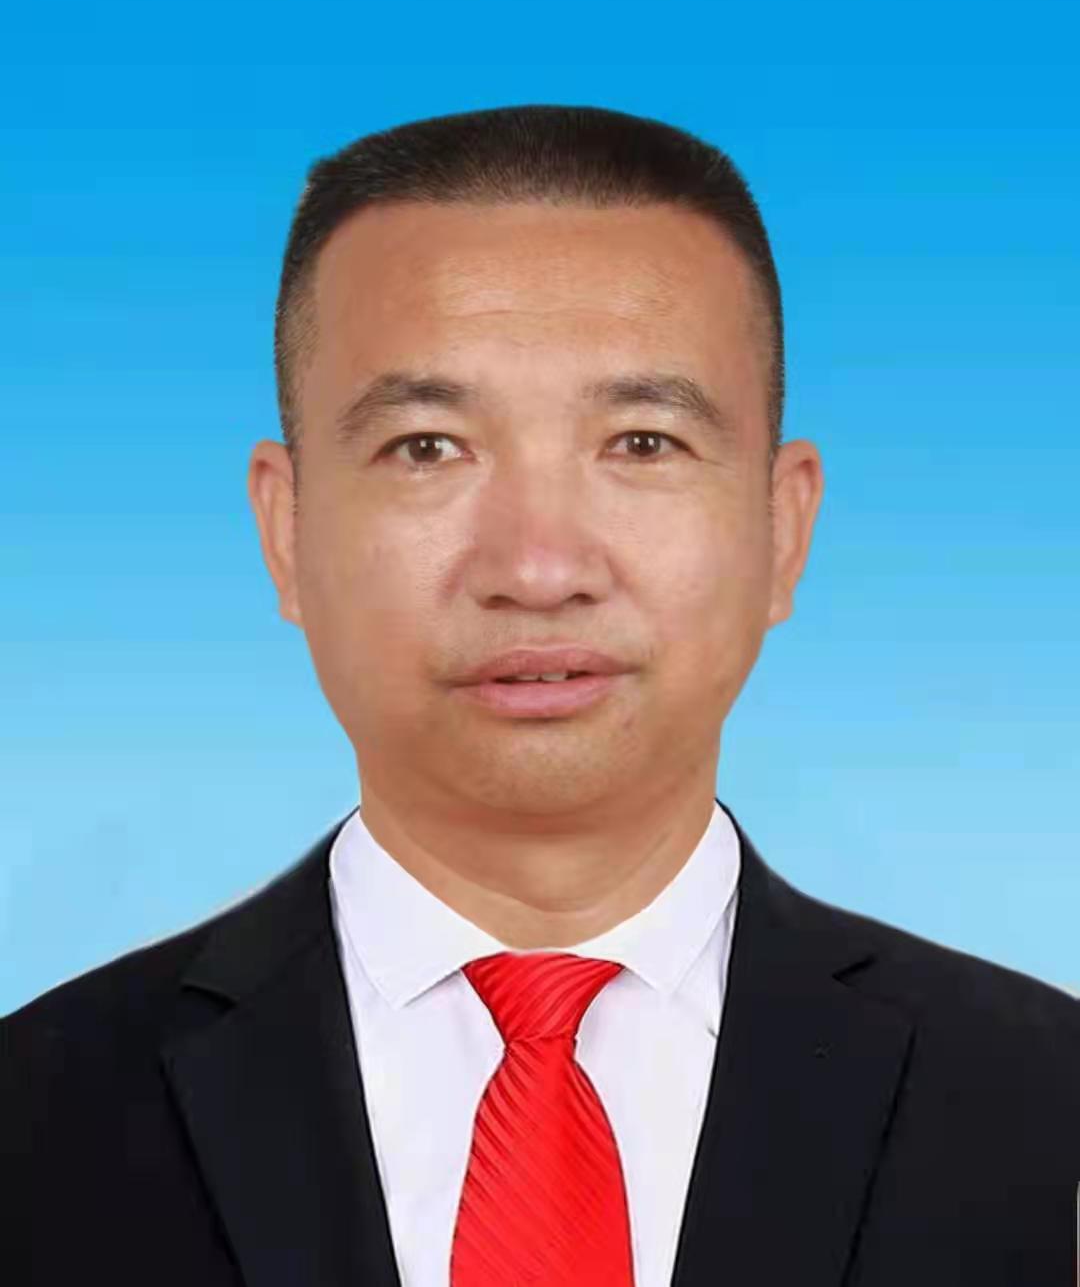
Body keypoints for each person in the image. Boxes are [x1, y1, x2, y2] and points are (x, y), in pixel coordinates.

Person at [4, 104, 1077, 1287]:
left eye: (642, 443)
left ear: (784, 527)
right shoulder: (35, 1118)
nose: (539, 568)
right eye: (427, 447)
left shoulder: (1043, 1108)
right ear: (285, 527)